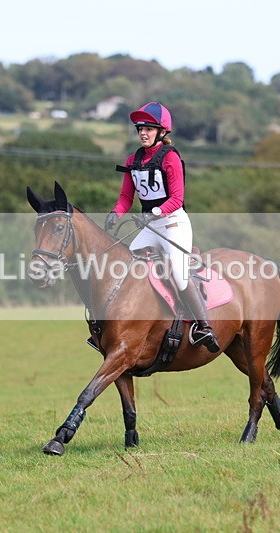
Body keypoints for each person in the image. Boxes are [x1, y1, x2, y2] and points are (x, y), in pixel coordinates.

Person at [104, 102, 219, 353]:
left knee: (178, 271)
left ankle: (204, 327)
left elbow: (177, 198)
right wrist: (115, 213)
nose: (143, 133)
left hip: (173, 223)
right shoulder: (133, 160)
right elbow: (126, 197)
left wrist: (154, 212)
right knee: (125, 267)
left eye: (148, 129)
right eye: (140, 129)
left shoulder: (170, 158)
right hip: (149, 226)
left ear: (162, 131)